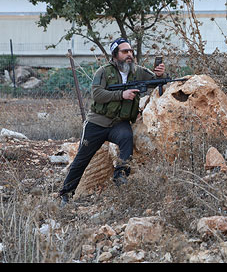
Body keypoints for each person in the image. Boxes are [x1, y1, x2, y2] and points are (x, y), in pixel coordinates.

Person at [58, 37, 165, 206]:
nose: (129, 54)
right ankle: (66, 194)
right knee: (82, 159)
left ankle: (120, 177)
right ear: (115, 55)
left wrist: (160, 74)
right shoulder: (103, 72)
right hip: (97, 123)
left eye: (130, 51)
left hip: (119, 123)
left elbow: (157, 82)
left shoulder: (138, 71)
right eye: (124, 52)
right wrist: (121, 95)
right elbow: (97, 95)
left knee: (126, 139)